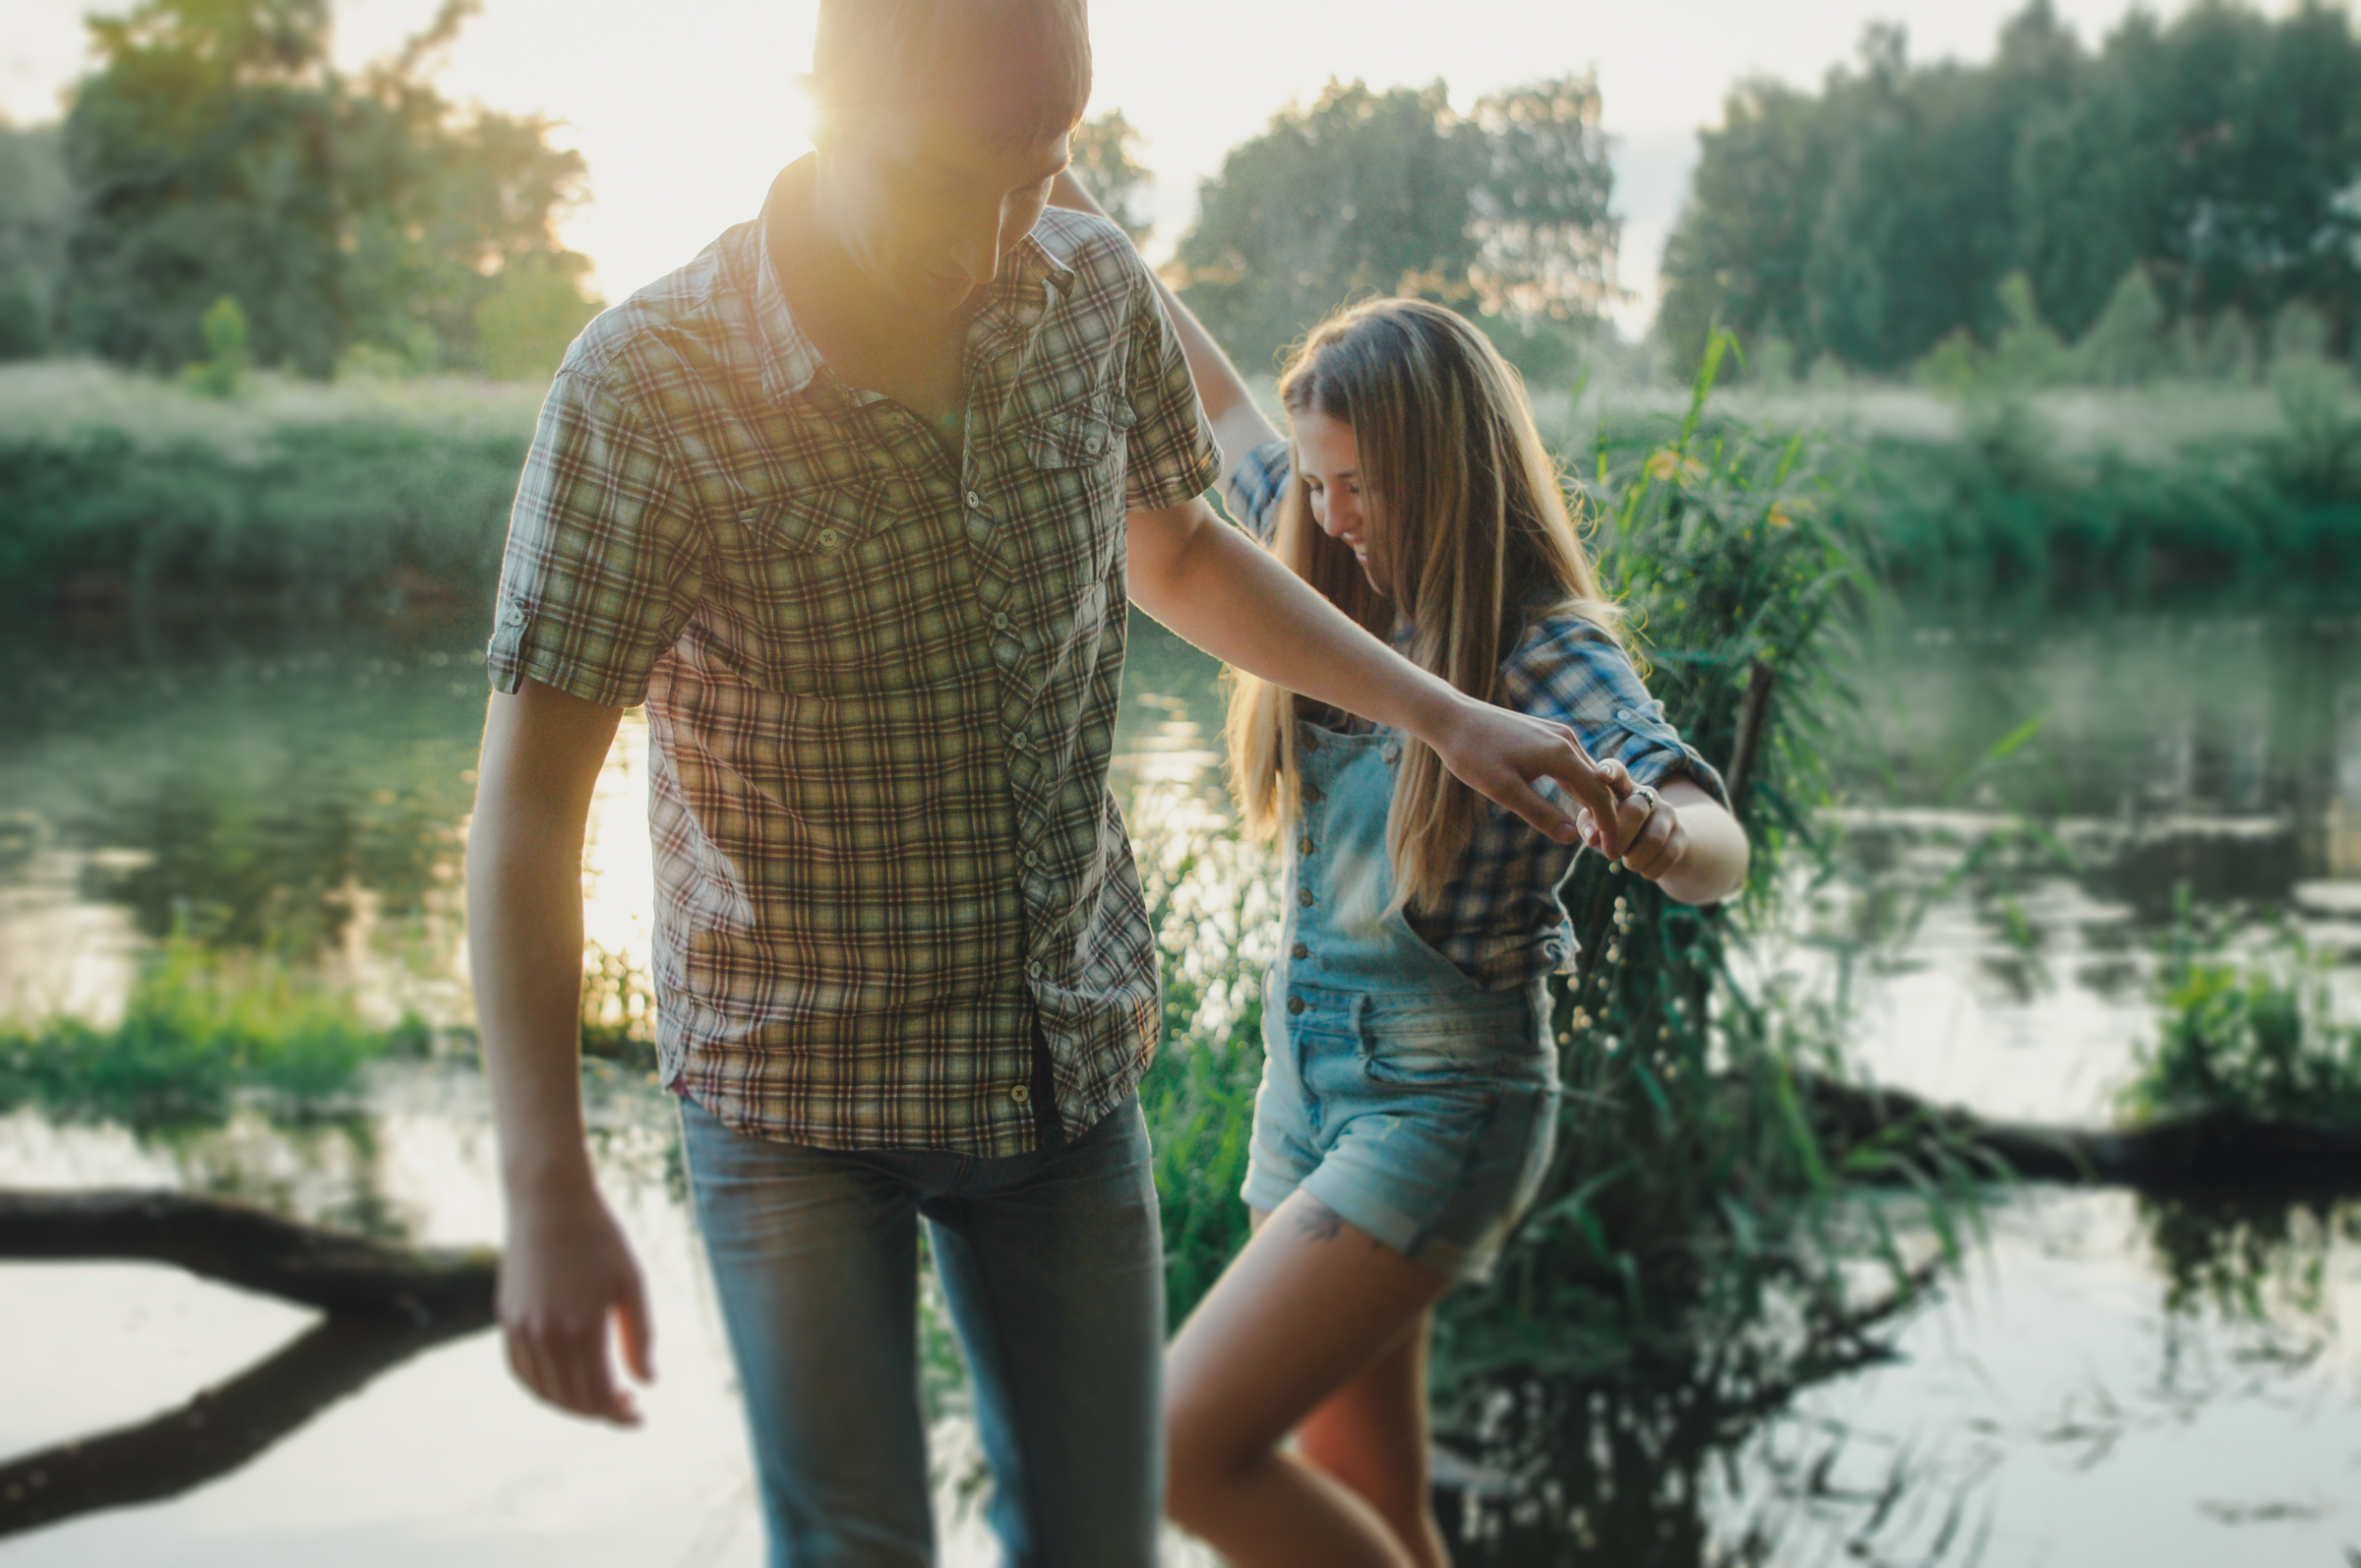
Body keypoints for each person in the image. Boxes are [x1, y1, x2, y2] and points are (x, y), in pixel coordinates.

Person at [464, 4, 1635, 1565]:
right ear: (829, 98)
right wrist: (547, 1184)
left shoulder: (1084, 292)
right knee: (857, 1541)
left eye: (1046, 168)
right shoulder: (650, 386)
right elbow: (533, 803)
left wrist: (1446, 718)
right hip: (790, 1088)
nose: (1009, 230)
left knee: (1096, 1538)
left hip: (1057, 1063)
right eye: (960, 177)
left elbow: (1179, 549)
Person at [1048, 182, 1752, 1566]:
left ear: (1449, 470)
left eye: (1363, 482)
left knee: (1178, 1450)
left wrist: (1656, 836)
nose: (1333, 510)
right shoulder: (1323, 567)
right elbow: (1222, 405)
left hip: (1447, 1095)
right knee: (1370, 1500)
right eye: (1318, 479)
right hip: (1302, 1082)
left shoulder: (1536, 638)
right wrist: (1073, 208)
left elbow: (1712, 841)